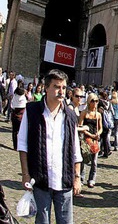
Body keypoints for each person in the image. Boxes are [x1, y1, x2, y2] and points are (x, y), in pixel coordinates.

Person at [17, 69, 82, 224]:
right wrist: (25, 174)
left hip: (64, 180)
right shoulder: (32, 111)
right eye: (57, 87)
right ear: (46, 88)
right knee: (42, 221)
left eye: (64, 88)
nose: (61, 91)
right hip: (41, 179)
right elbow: (22, 144)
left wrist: (77, 177)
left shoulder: (70, 115)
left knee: (66, 221)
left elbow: (75, 150)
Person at [78, 93, 102, 188]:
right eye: (93, 101)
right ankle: (81, 178)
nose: (95, 103)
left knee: (94, 162)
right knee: (83, 160)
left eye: (96, 101)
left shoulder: (98, 114)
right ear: (89, 102)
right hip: (86, 139)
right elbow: (80, 126)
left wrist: (97, 134)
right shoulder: (84, 113)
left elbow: (101, 128)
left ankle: (92, 179)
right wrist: (89, 134)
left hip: (95, 140)